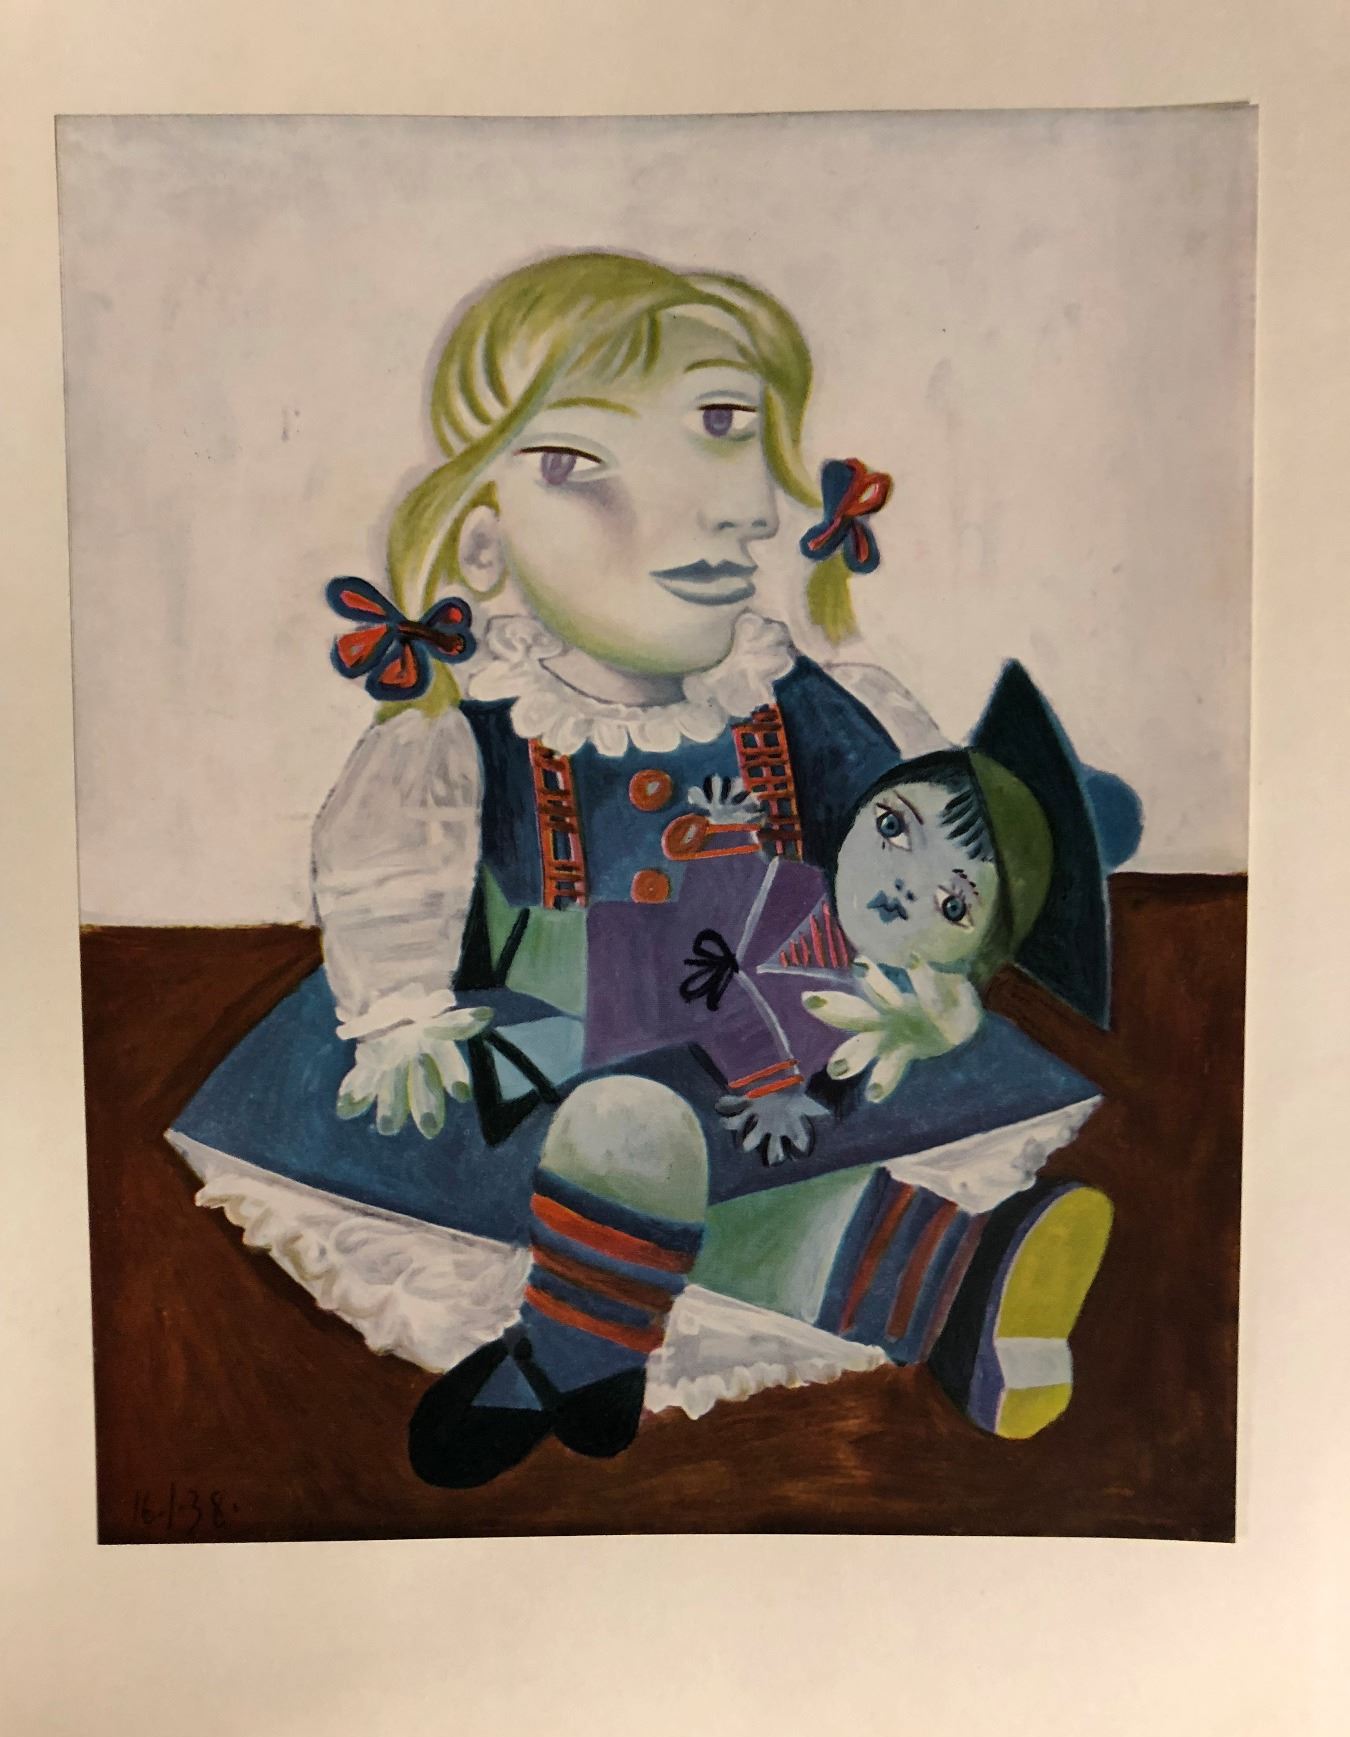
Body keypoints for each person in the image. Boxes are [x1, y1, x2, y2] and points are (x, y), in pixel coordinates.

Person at [169, 250, 1135, 1490]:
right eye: (578, 461)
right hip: (536, 1037)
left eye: (726, 425)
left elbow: (923, 863)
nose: (719, 505)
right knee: (618, 1135)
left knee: (674, 1146)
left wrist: (935, 989)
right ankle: (947, 1284)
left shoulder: (803, 697)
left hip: (771, 1039)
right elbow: (393, 872)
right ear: (480, 541)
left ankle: (568, 1356)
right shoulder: (466, 730)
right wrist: (402, 1011)